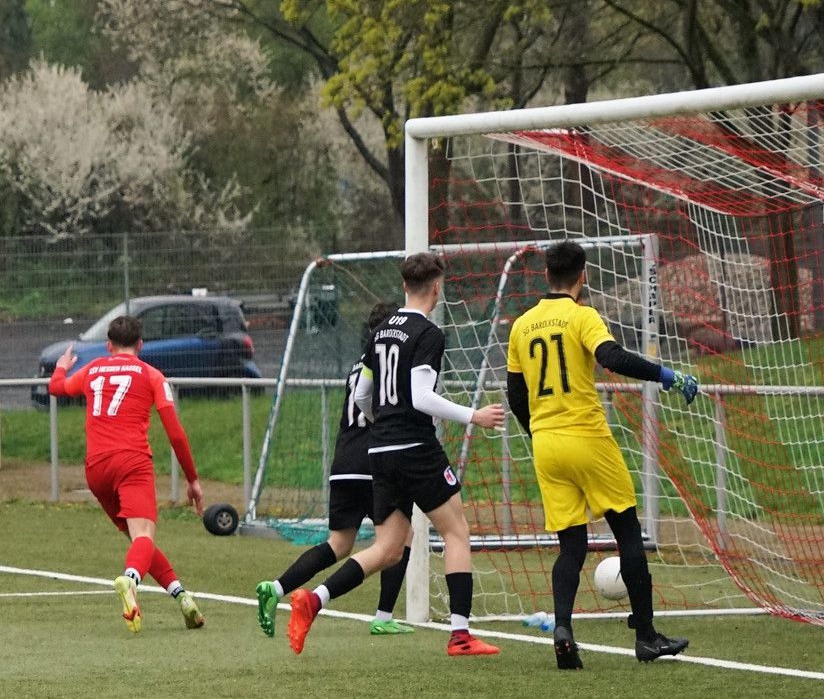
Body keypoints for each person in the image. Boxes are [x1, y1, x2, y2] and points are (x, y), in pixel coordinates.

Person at [286, 252, 506, 656]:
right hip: (415, 449)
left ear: (405, 286)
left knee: (387, 548)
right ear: (437, 288)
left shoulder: (381, 332)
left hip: (381, 452)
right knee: (456, 532)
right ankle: (460, 635)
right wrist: (473, 415)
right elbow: (421, 397)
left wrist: (383, 424)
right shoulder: (428, 333)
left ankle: (313, 600)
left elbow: (362, 395)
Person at [505, 240, 698, 670]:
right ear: (583, 276)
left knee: (570, 546)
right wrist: (666, 375)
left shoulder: (521, 326)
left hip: (547, 445)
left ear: (546, 275)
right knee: (627, 531)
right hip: (587, 437)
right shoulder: (582, 315)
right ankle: (646, 636)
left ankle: (562, 628)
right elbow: (611, 357)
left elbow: (516, 395)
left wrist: (538, 433)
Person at [255, 301, 417, 637]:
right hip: (376, 463)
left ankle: (276, 587)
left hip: (343, 463)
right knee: (399, 539)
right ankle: (381, 615)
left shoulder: (358, 366)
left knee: (339, 544)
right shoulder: (392, 363)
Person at [47, 315, 205, 633]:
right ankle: (130, 580)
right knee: (143, 536)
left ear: (109, 345)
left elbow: (56, 388)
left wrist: (62, 366)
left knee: (138, 541)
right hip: (132, 462)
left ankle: (183, 597)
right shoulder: (152, 375)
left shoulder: (92, 369)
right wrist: (192, 479)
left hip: (96, 469)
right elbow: (175, 433)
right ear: (140, 345)